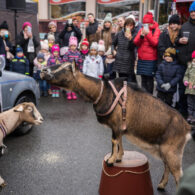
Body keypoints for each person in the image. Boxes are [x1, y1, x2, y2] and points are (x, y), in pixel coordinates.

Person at [176, 1, 195, 117]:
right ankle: (183, 113)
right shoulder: (184, 26)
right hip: (183, 64)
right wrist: (179, 41)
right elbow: (176, 42)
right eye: (192, 11)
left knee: (193, 92)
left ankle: (192, 114)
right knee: (182, 90)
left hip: (194, 66)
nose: (193, 14)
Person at [134, 12, 160, 94]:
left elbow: (155, 43)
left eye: (147, 23)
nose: (146, 25)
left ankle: (150, 98)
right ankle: (143, 97)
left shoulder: (157, 29)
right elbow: (135, 42)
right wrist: (141, 36)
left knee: (149, 80)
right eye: (144, 23)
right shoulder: (142, 29)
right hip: (142, 59)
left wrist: (148, 34)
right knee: (143, 80)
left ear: (151, 22)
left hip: (151, 59)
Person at [183, 51, 195, 123]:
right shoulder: (190, 67)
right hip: (189, 89)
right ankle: (190, 115)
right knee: (190, 103)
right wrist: (186, 81)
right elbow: (186, 75)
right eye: (194, 58)